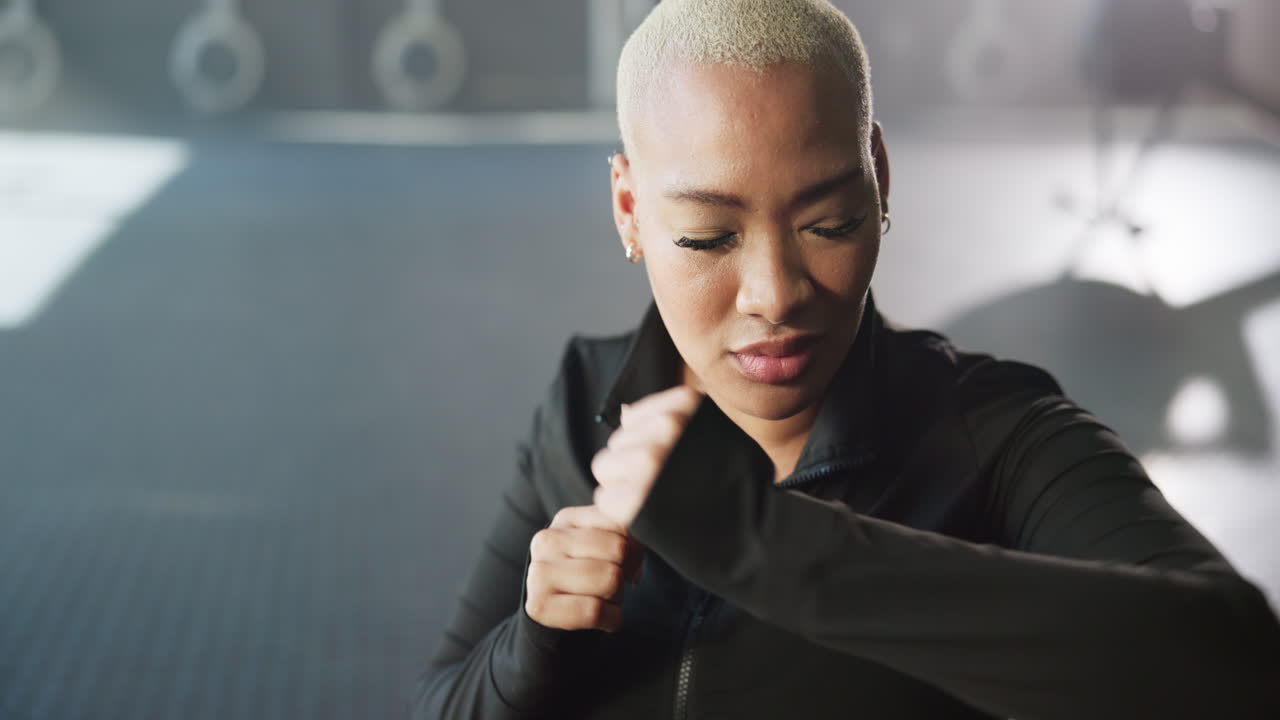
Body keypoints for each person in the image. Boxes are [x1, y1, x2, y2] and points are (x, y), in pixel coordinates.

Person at [411, 1, 1280, 717]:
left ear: (880, 180)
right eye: (708, 236)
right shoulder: (584, 402)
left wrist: (771, 548)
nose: (775, 294)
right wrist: (533, 645)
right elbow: (442, 702)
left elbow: (1239, 665)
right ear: (631, 210)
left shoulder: (995, 437)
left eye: (829, 224)